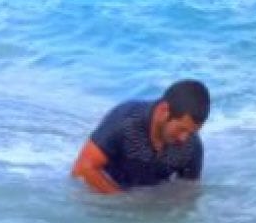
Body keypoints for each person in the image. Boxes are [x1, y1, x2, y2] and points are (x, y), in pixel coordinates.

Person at [71, 79, 210, 194]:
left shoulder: (192, 146)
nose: (184, 138)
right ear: (164, 110)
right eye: (181, 129)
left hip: (147, 195)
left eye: (192, 132)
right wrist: (122, 203)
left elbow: (187, 192)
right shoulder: (125, 121)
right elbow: (82, 169)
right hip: (107, 188)